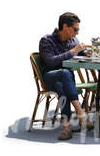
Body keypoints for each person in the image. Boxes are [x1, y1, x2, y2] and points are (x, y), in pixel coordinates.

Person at [39, 12, 93, 140]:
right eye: (75, 29)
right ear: (65, 26)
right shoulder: (47, 40)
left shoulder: (73, 40)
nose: (77, 33)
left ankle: (67, 128)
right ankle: (80, 112)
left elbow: (80, 53)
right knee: (64, 73)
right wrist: (73, 51)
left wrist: (86, 53)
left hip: (66, 82)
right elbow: (51, 61)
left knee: (62, 86)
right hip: (49, 77)